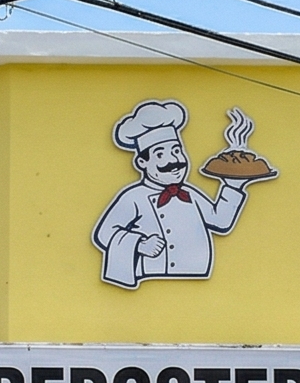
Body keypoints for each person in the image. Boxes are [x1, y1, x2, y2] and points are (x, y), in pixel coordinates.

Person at [92, 99, 264, 288]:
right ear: (142, 162)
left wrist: (233, 185)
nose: (173, 160)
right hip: (152, 279)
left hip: (196, 279)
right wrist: (140, 244)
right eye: (160, 154)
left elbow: (220, 221)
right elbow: (104, 233)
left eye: (176, 151)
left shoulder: (190, 194)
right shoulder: (134, 197)